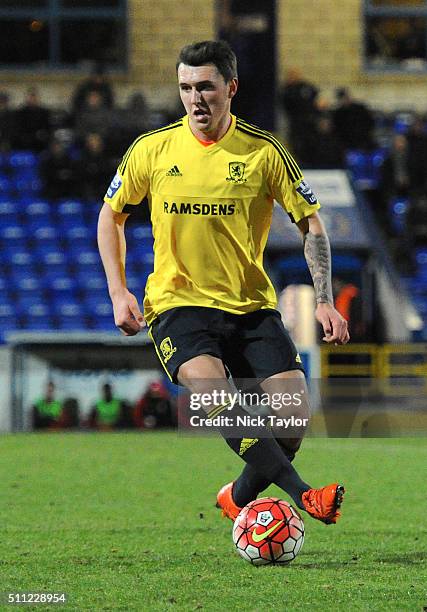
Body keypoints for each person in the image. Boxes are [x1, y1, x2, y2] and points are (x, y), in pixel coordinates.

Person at [98, 40, 349, 525]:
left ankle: (237, 496)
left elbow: (311, 225)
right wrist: (118, 290)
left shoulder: (263, 152)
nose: (196, 99)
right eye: (186, 87)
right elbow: (111, 217)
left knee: (292, 420)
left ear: (230, 88)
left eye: (206, 87)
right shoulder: (152, 149)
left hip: (249, 306)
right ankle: (304, 496)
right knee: (218, 398)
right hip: (178, 305)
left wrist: (324, 300)